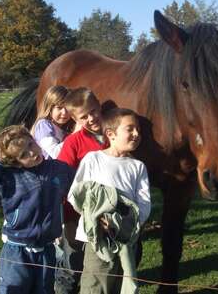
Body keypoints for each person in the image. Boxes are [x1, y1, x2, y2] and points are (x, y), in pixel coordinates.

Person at [0, 125, 74, 294]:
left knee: (44, 289)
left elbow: (77, 186)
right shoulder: (8, 177)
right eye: (23, 154)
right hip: (17, 250)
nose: (32, 153)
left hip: (46, 248)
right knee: (14, 289)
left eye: (31, 144)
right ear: (14, 162)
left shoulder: (58, 169)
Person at [67, 108, 151, 294]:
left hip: (126, 239)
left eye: (138, 129)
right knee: (96, 286)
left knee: (123, 285)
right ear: (111, 134)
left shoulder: (137, 166)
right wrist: (94, 218)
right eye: (130, 129)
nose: (136, 134)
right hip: (97, 240)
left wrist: (126, 225)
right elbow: (75, 194)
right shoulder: (94, 159)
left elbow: (144, 204)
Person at [55, 87, 108, 294]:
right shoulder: (73, 142)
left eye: (93, 111)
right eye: (84, 116)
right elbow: (61, 177)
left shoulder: (113, 133)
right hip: (77, 212)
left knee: (106, 258)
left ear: (99, 106)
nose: (91, 118)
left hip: (107, 209)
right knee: (74, 258)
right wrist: (66, 216)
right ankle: (63, 288)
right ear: (75, 119)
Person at [30, 85, 72, 159]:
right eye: (59, 107)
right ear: (49, 108)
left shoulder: (64, 127)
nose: (64, 112)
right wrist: (75, 135)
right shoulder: (43, 125)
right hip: (47, 169)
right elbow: (55, 153)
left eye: (67, 107)